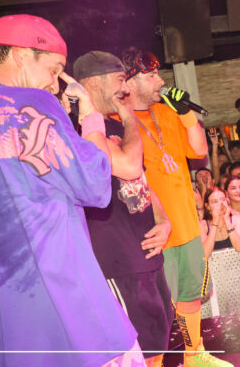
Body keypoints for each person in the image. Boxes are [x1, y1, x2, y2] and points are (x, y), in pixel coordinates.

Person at [0, 15, 142, 366]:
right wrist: (90, 119)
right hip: (72, 322)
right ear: (22, 54)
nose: (54, 84)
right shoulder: (30, 103)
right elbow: (96, 185)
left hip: (1, 338)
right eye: (53, 70)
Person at [121, 51, 229, 366]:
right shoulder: (118, 122)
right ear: (130, 81)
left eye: (159, 74)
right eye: (152, 75)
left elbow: (198, 150)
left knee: (190, 296)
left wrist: (186, 114)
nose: (161, 81)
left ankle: (195, 355)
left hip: (186, 225)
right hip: (154, 234)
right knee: (156, 309)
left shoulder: (168, 112)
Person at [73, 51, 173, 366]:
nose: (125, 88)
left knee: (157, 342)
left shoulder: (111, 125)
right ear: (93, 82)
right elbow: (128, 165)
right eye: (119, 79)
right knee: (135, 351)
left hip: (146, 254)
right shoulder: (79, 128)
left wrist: (163, 220)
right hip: (117, 261)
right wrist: (129, 116)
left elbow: (141, 180)